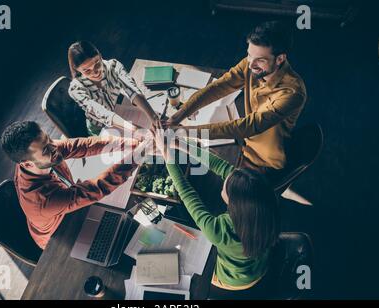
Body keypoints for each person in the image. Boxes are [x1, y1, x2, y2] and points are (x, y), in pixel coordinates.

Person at [164, 21, 307, 172]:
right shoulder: (251, 64)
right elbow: (220, 86)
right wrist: (179, 115)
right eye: (249, 55)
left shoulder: (293, 93)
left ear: (280, 59)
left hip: (264, 162)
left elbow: (248, 126)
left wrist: (185, 131)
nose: (250, 65)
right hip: (244, 142)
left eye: (260, 60)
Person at [153, 125, 279, 292]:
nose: (223, 185)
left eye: (224, 189)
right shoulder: (261, 202)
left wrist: (166, 153)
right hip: (261, 261)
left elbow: (186, 192)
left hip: (237, 279)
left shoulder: (220, 230)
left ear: (234, 205)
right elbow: (222, 167)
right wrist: (179, 144)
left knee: (187, 266)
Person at [0, 120, 144, 249]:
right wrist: (137, 156)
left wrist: (133, 143)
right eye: (46, 149)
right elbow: (97, 188)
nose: (54, 146)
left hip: (68, 205)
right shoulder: (42, 201)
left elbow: (82, 146)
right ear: (27, 163)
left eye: (49, 138)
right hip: (61, 235)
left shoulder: (45, 153)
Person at [68, 41, 160, 136]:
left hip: (119, 112)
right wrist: (135, 129)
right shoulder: (76, 89)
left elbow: (131, 89)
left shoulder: (113, 66)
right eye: (87, 71)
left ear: (100, 55)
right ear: (76, 69)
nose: (95, 72)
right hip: (100, 127)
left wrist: (154, 117)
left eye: (97, 63)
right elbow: (101, 112)